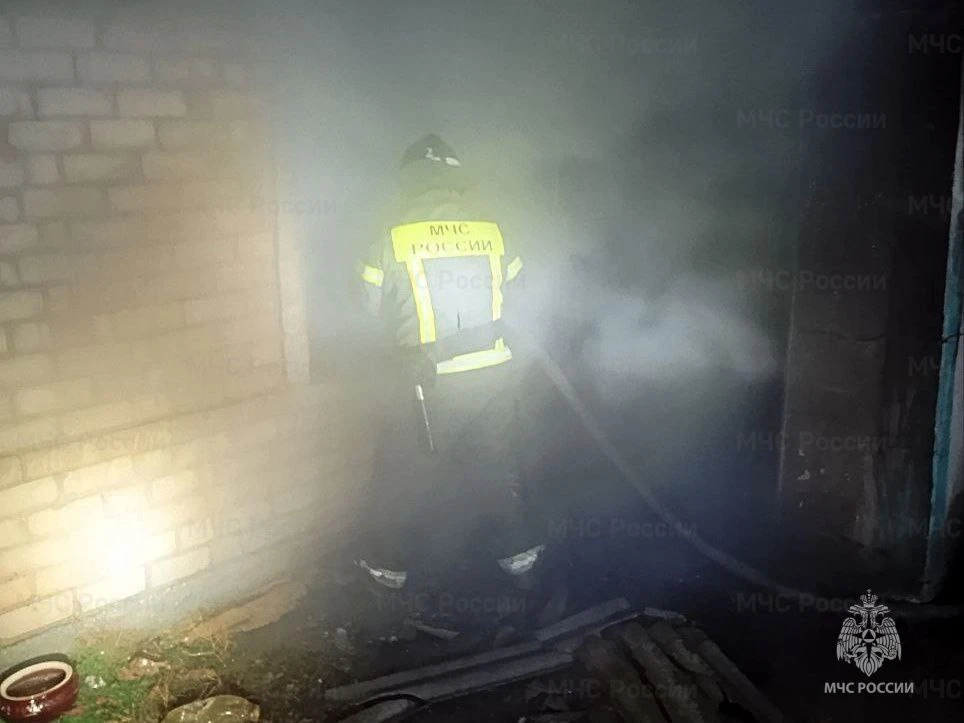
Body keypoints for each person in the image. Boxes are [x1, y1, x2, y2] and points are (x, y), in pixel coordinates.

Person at [356, 134, 545, 597]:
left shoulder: (391, 231)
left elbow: (365, 307)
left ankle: (387, 568)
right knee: (495, 463)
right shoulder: (494, 227)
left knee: (404, 470)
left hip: (429, 381)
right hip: (493, 370)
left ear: (408, 178)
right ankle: (520, 560)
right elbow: (522, 293)